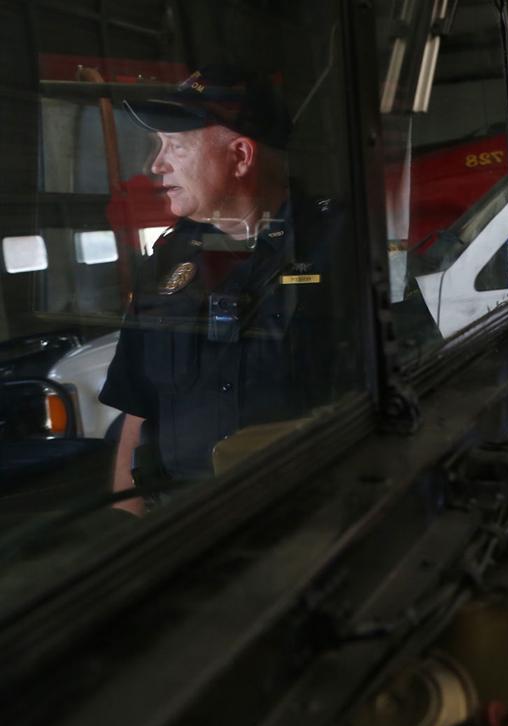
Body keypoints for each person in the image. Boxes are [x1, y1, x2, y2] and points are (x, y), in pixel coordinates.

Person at [100, 66, 344, 513]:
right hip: (182, 520)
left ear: (241, 156)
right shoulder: (168, 261)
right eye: (159, 146)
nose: (157, 164)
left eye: (175, 146)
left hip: (303, 520)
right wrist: (128, 520)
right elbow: (138, 406)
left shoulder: (342, 247)